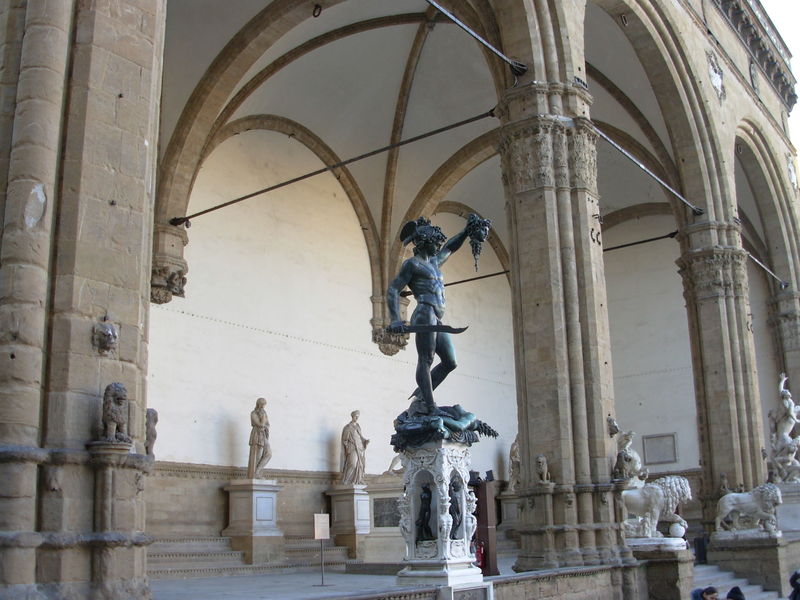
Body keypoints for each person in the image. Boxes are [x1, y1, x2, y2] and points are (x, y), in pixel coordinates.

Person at [386, 214, 490, 414]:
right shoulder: (412, 264)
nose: (438, 246)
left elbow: (450, 248)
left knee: (450, 362)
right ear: (425, 242)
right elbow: (393, 290)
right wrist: (395, 319)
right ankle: (431, 406)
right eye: (435, 243)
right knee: (426, 359)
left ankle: (422, 396)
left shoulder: (433, 263)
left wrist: (466, 231)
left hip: (437, 317)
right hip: (424, 313)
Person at [340, 410, 369, 485]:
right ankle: (346, 480)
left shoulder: (358, 426)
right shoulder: (348, 427)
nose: (357, 418)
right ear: (352, 416)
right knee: (353, 464)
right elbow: (344, 440)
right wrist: (348, 447)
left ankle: (358, 479)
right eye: (356, 416)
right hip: (353, 448)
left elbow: (360, 437)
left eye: (358, 417)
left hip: (360, 448)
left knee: (360, 465)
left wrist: (365, 441)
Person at [247, 398, 271, 478]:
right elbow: (260, 424)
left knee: (269, 453)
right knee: (258, 455)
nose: (263, 406)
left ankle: (257, 471)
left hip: (263, 435)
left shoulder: (264, 413)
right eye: (262, 404)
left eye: (264, 404)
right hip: (257, 434)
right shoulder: (253, 413)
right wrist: (263, 417)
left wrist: (265, 425)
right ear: (258, 404)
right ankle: (254, 473)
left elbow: (267, 425)